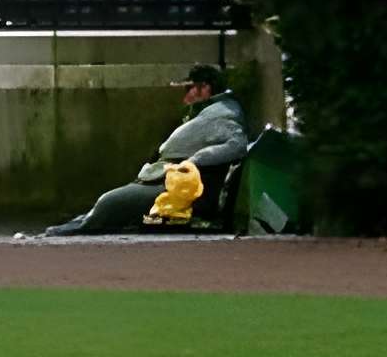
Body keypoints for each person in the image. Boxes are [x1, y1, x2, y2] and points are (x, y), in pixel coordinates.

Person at [43, 64, 249, 237]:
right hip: (164, 179)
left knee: (110, 202)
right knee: (109, 202)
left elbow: (236, 143)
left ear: (205, 88)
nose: (185, 97)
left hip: (177, 189)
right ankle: (75, 225)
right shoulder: (212, 111)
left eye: (189, 89)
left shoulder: (223, 113)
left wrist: (193, 161)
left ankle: (73, 230)